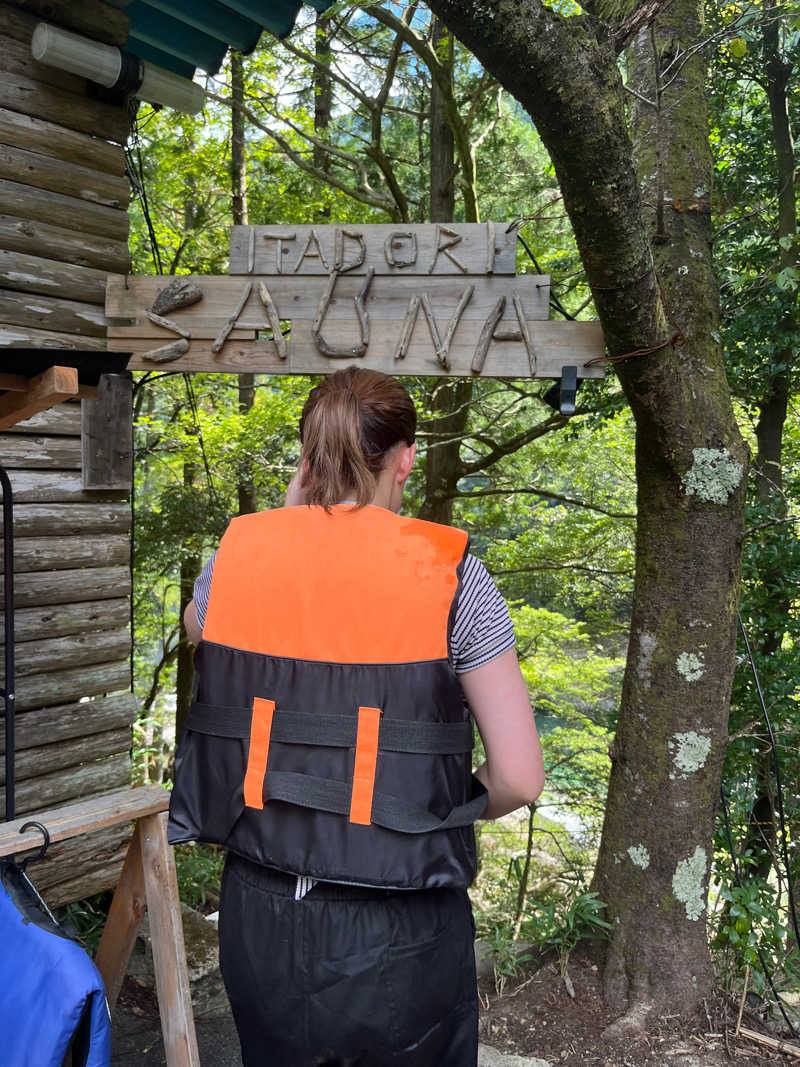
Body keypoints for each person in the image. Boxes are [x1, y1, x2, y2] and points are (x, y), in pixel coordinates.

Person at [170, 367, 545, 1067]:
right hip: (400, 921)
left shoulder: (239, 559)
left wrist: (280, 521)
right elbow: (522, 778)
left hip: (262, 914)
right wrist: (427, 803)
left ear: (307, 461)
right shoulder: (453, 575)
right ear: (405, 455)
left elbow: (198, 628)